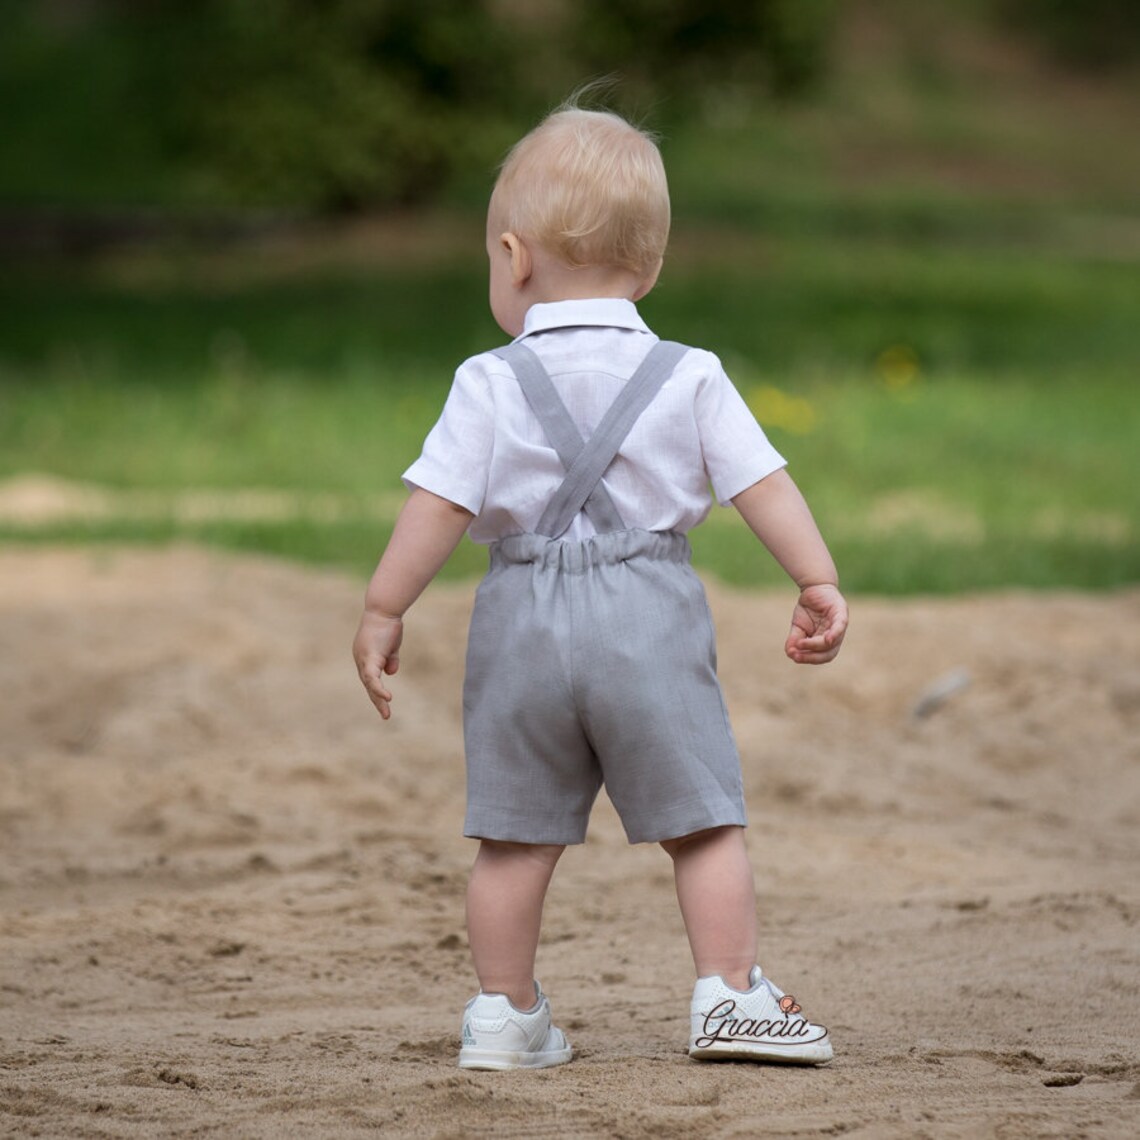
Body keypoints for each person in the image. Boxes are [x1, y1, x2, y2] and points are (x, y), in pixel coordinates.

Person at [352, 98, 848, 1071]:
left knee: (514, 836)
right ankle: (730, 995)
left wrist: (383, 606)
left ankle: (504, 1014)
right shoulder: (689, 374)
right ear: (650, 268)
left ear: (513, 257)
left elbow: (437, 506)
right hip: (647, 615)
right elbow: (761, 483)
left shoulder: (488, 381)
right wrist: (815, 577)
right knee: (702, 823)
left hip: (520, 620)